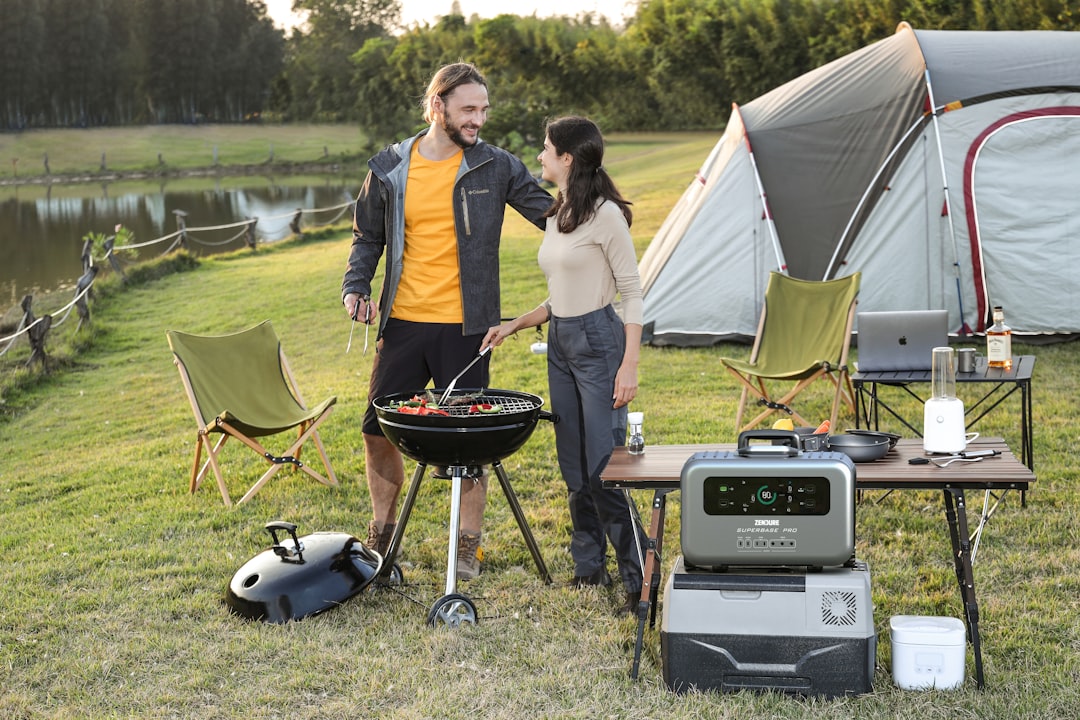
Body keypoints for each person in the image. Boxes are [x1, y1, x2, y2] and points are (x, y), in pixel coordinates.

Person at [341, 62, 553, 579]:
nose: (479, 119)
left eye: (483, 109)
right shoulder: (390, 166)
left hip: (467, 329)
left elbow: (551, 214)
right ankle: (382, 534)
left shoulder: (496, 165)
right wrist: (356, 287)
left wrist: (600, 212)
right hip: (405, 324)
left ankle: (466, 546)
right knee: (377, 429)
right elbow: (367, 237)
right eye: (469, 109)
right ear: (438, 107)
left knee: (468, 441)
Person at [481, 116, 646, 614]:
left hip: (600, 340)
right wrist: (515, 323)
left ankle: (639, 576)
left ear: (568, 158)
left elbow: (633, 292)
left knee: (603, 464)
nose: (540, 157)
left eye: (546, 149)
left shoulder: (606, 215)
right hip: (560, 342)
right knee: (573, 463)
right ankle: (588, 568)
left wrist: (629, 365)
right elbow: (559, 295)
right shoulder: (560, 212)